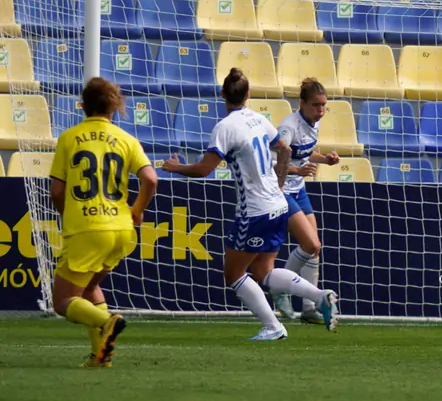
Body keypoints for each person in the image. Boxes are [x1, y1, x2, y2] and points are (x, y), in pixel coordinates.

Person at [163, 68, 340, 340]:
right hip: (278, 205)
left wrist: (176, 167)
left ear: (223, 95)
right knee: (263, 271)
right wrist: (279, 183)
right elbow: (285, 150)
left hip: (255, 210)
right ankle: (319, 295)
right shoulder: (258, 119)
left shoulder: (225, 127)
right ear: (247, 95)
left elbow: (204, 170)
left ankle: (273, 326)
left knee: (233, 273)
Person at [48, 77, 158, 368]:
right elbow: (150, 179)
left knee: (62, 302)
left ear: (82, 106)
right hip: (121, 229)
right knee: (88, 289)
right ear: (114, 106)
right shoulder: (126, 140)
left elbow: (56, 191)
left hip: (87, 226)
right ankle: (101, 357)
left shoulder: (69, 138)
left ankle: (108, 321)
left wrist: (67, 213)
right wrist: (136, 210)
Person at [273, 78, 341, 323]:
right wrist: (295, 171)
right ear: (301, 103)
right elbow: (270, 166)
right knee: (310, 245)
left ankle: (310, 307)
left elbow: (305, 151)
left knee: (315, 249)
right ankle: (280, 288)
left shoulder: (313, 123)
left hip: (299, 190)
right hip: (281, 191)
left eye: (324, 106)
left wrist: (325, 160)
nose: (321, 111)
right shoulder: (287, 127)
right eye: (316, 105)